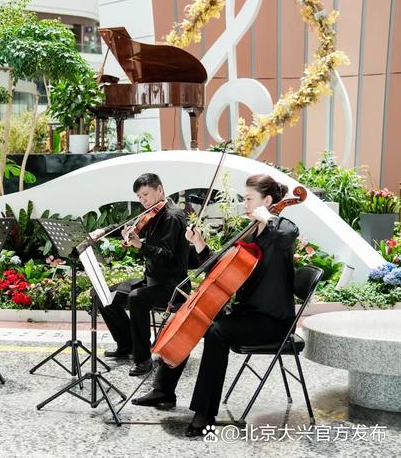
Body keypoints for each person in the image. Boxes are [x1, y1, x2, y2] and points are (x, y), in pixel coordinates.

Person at [132, 174, 299, 437]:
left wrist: (267, 216)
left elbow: (290, 234)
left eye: (249, 199)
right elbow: (221, 267)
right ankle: (164, 389)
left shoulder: (277, 231)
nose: (244, 204)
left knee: (216, 332)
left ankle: (205, 414)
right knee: (196, 315)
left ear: (267, 201)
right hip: (247, 312)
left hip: (271, 321)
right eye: (244, 198)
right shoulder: (248, 231)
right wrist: (199, 244)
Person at [90, 173, 191, 376]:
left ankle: (143, 358)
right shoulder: (154, 213)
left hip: (172, 286)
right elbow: (129, 225)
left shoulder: (172, 217)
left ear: (160, 190)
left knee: (137, 298)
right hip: (151, 281)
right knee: (100, 294)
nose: (143, 200)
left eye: (146, 195)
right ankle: (127, 344)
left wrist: (140, 244)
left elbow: (165, 256)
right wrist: (103, 231)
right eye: (139, 197)